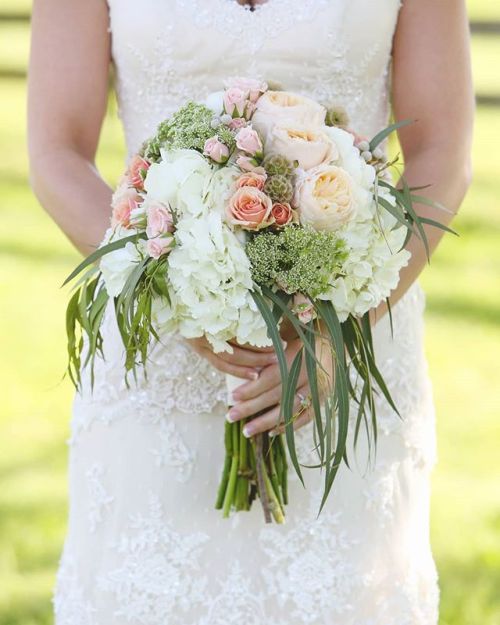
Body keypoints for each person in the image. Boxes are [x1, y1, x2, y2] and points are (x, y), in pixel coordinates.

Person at [28, 0, 473, 622]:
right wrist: (175, 292)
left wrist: (336, 337)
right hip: (160, 366)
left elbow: (439, 157)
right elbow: (56, 152)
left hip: (350, 335)